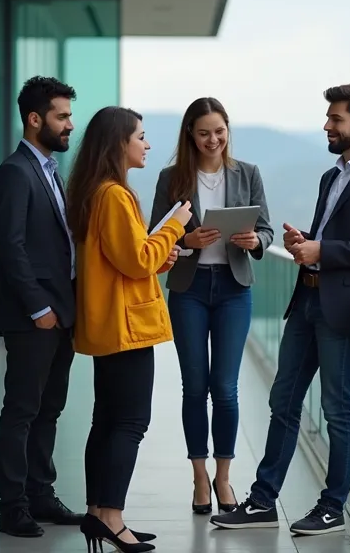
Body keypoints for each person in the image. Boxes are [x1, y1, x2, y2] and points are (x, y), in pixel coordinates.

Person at [210, 84, 350, 536]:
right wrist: (306, 244)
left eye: (335, 119)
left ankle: (332, 507)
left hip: (342, 308)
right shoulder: (330, 176)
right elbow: (329, 239)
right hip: (308, 300)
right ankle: (262, 501)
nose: (327, 126)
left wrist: (325, 249)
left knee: (338, 408)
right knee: (284, 401)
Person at [66, 105, 191, 553]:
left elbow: (129, 257)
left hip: (108, 324)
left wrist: (158, 252)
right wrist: (174, 228)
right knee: (130, 422)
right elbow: (137, 259)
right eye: (140, 135)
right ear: (119, 142)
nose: (147, 144)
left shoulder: (93, 192)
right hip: (126, 327)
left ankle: (99, 513)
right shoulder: (115, 196)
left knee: (107, 420)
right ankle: (113, 517)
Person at [149, 97, 274, 515]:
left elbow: (267, 230)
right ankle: (199, 475)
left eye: (219, 131)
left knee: (225, 387)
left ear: (227, 130)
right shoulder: (171, 178)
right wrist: (185, 241)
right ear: (190, 134)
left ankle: (223, 476)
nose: (213, 140)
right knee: (194, 386)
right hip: (189, 289)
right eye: (204, 132)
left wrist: (256, 241)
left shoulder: (248, 174)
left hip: (235, 289)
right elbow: (154, 235)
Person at [0, 76, 84, 538]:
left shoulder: (50, 170)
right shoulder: (15, 172)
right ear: (35, 118)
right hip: (32, 315)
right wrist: (38, 308)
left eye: (69, 116)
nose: (69, 125)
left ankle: (42, 495)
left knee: (49, 409)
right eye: (62, 116)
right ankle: (13, 507)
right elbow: (11, 248)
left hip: (61, 311)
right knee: (22, 409)